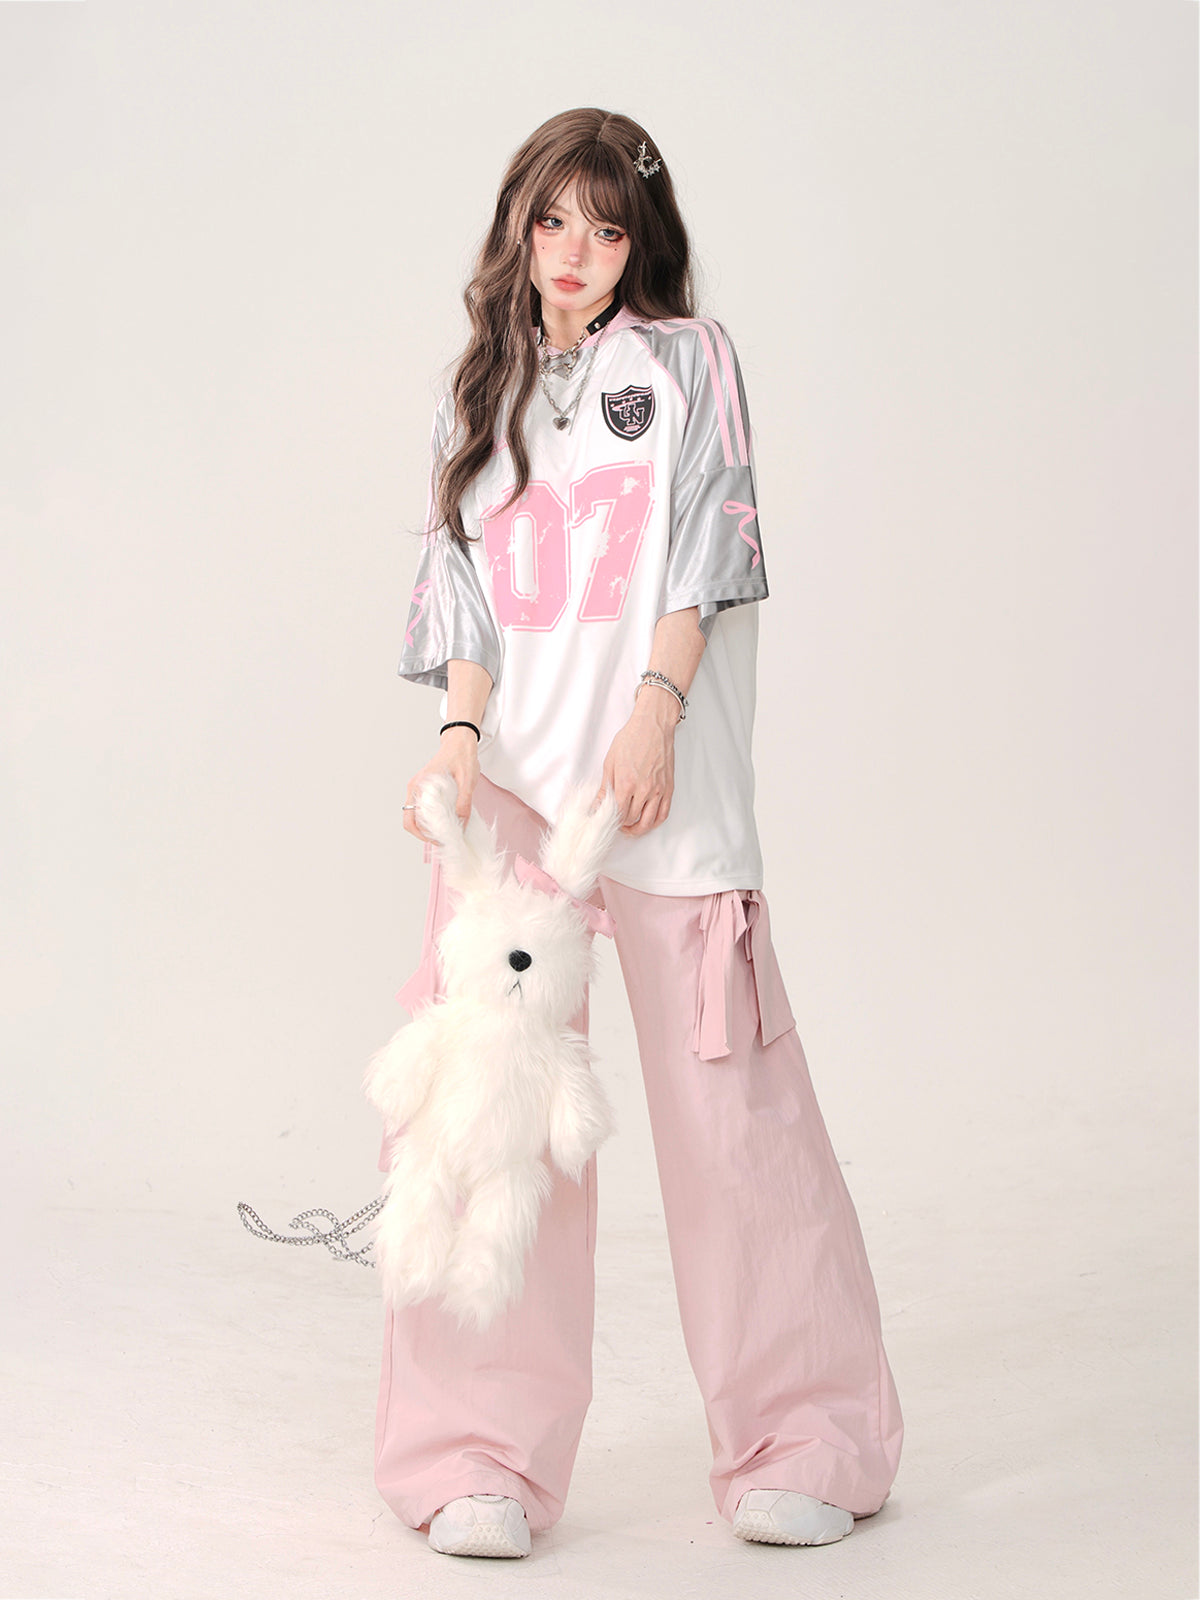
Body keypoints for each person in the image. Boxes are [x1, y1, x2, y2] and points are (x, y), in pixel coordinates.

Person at [373, 107, 903, 1560]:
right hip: (513, 805)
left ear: (639, 240)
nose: (575, 252)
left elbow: (712, 540)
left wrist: (658, 710)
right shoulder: (476, 389)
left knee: (734, 1118)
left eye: (606, 228)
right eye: (553, 220)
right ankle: (475, 1452)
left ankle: (806, 1430)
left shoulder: (686, 362)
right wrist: (458, 740)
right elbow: (463, 594)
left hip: (656, 781)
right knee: (492, 1113)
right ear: (518, 223)